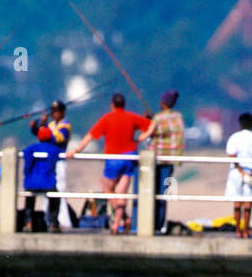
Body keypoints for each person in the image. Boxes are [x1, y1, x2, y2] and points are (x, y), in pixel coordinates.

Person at [66, 92, 151, 233]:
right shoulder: (131, 117)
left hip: (113, 159)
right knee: (122, 193)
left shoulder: (107, 118)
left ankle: (122, 218)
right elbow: (151, 125)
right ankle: (118, 223)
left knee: (107, 190)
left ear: (112, 105)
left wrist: (76, 150)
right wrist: (140, 139)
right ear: (124, 104)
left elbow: (90, 136)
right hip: (130, 157)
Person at [144, 90, 185, 233]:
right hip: (172, 160)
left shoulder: (158, 119)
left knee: (151, 192)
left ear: (163, 103)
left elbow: (148, 134)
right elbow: (166, 129)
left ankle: (152, 223)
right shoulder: (178, 116)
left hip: (157, 160)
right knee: (164, 192)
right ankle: (160, 224)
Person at [225, 112, 252, 237]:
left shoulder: (234, 137)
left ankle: (238, 230)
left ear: (240, 124)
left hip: (237, 173)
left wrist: (241, 171)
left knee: (237, 203)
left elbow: (232, 155)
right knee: (248, 203)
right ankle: (246, 229)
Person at [21, 124, 62, 232]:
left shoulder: (32, 148)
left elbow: (25, 155)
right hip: (47, 183)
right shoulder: (53, 149)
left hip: (31, 183)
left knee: (29, 199)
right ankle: (53, 223)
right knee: (55, 198)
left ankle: (28, 223)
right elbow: (59, 153)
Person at [44, 100, 74, 225]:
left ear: (62, 112)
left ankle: (63, 221)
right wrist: (39, 126)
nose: (54, 114)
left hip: (59, 162)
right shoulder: (51, 125)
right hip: (48, 161)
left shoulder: (65, 126)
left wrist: (43, 130)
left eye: (57, 112)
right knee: (46, 190)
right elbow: (42, 136)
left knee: (59, 190)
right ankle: (47, 218)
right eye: (53, 112)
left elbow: (57, 138)